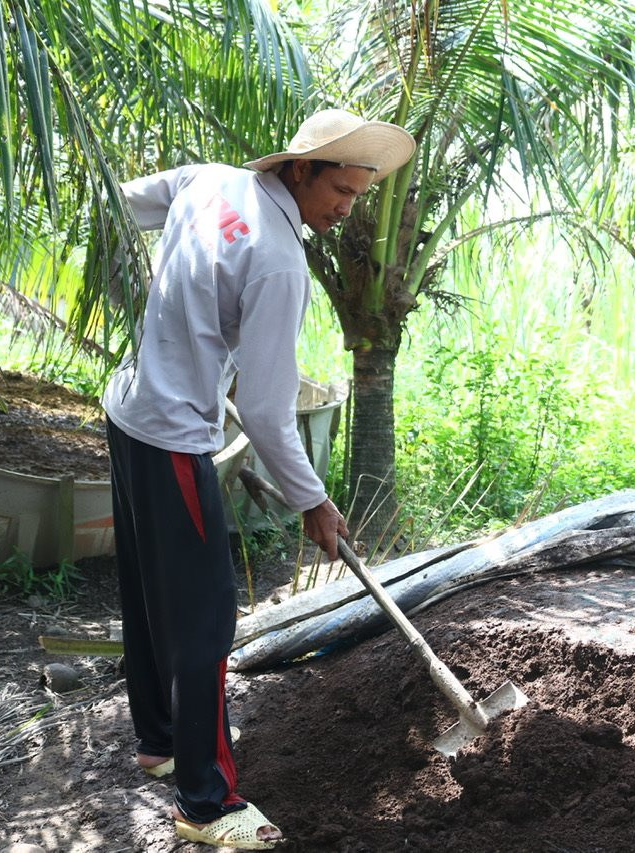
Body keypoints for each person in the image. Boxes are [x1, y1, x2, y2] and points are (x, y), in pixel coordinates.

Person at [102, 109, 415, 849]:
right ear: (299, 170)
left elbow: (118, 201)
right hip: (174, 433)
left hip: (126, 409)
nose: (346, 208)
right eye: (339, 188)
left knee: (151, 589)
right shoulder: (278, 260)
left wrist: (178, 299)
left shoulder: (207, 181)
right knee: (208, 614)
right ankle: (206, 803)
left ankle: (160, 741)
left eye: (359, 194)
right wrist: (315, 500)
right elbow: (271, 415)